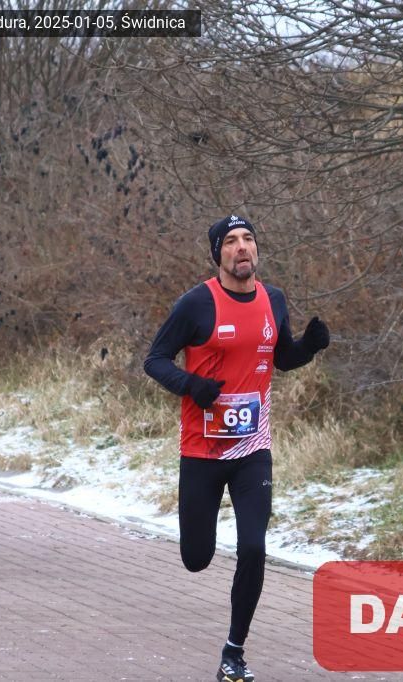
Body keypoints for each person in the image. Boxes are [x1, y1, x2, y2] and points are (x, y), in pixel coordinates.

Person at [144, 215, 330, 682]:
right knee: (197, 558)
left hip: (253, 449)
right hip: (202, 452)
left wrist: (308, 347)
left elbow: (281, 358)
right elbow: (155, 360)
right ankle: (204, 563)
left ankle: (234, 651)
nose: (242, 247)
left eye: (248, 239)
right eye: (230, 241)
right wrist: (192, 385)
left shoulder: (274, 299)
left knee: (252, 547)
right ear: (218, 255)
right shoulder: (197, 304)